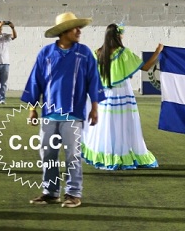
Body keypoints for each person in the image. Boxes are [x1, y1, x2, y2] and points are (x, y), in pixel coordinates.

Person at [22, 12, 105, 208]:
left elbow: (93, 80)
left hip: (73, 114)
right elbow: (36, 81)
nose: (79, 31)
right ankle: (50, 193)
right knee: (48, 154)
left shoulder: (84, 53)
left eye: (79, 28)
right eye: (75, 28)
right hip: (49, 115)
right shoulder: (45, 53)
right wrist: (32, 109)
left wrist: (94, 108)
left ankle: (73, 193)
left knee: (72, 155)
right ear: (64, 31)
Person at [82, 24, 163, 170]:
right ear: (118, 36)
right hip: (122, 93)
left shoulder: (97, 53)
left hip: (105, 95)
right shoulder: (124, 53)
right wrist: (158, 51)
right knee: (124, 124)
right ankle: (123, 153)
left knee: (107, 124)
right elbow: (145, 67)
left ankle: (107, 154)